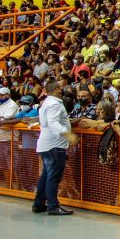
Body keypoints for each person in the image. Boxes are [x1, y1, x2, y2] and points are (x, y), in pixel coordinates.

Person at [33, 80, 78, 216]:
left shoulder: (46, 103)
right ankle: (53, 206)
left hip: (47, 144)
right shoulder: (54, 104)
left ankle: (39, 203)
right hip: (55, 145)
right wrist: (67, 134)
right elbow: (53, 122)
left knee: (46, 176)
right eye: (60, 88)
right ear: (56, 89)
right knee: (53, 177)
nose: (61, 90)